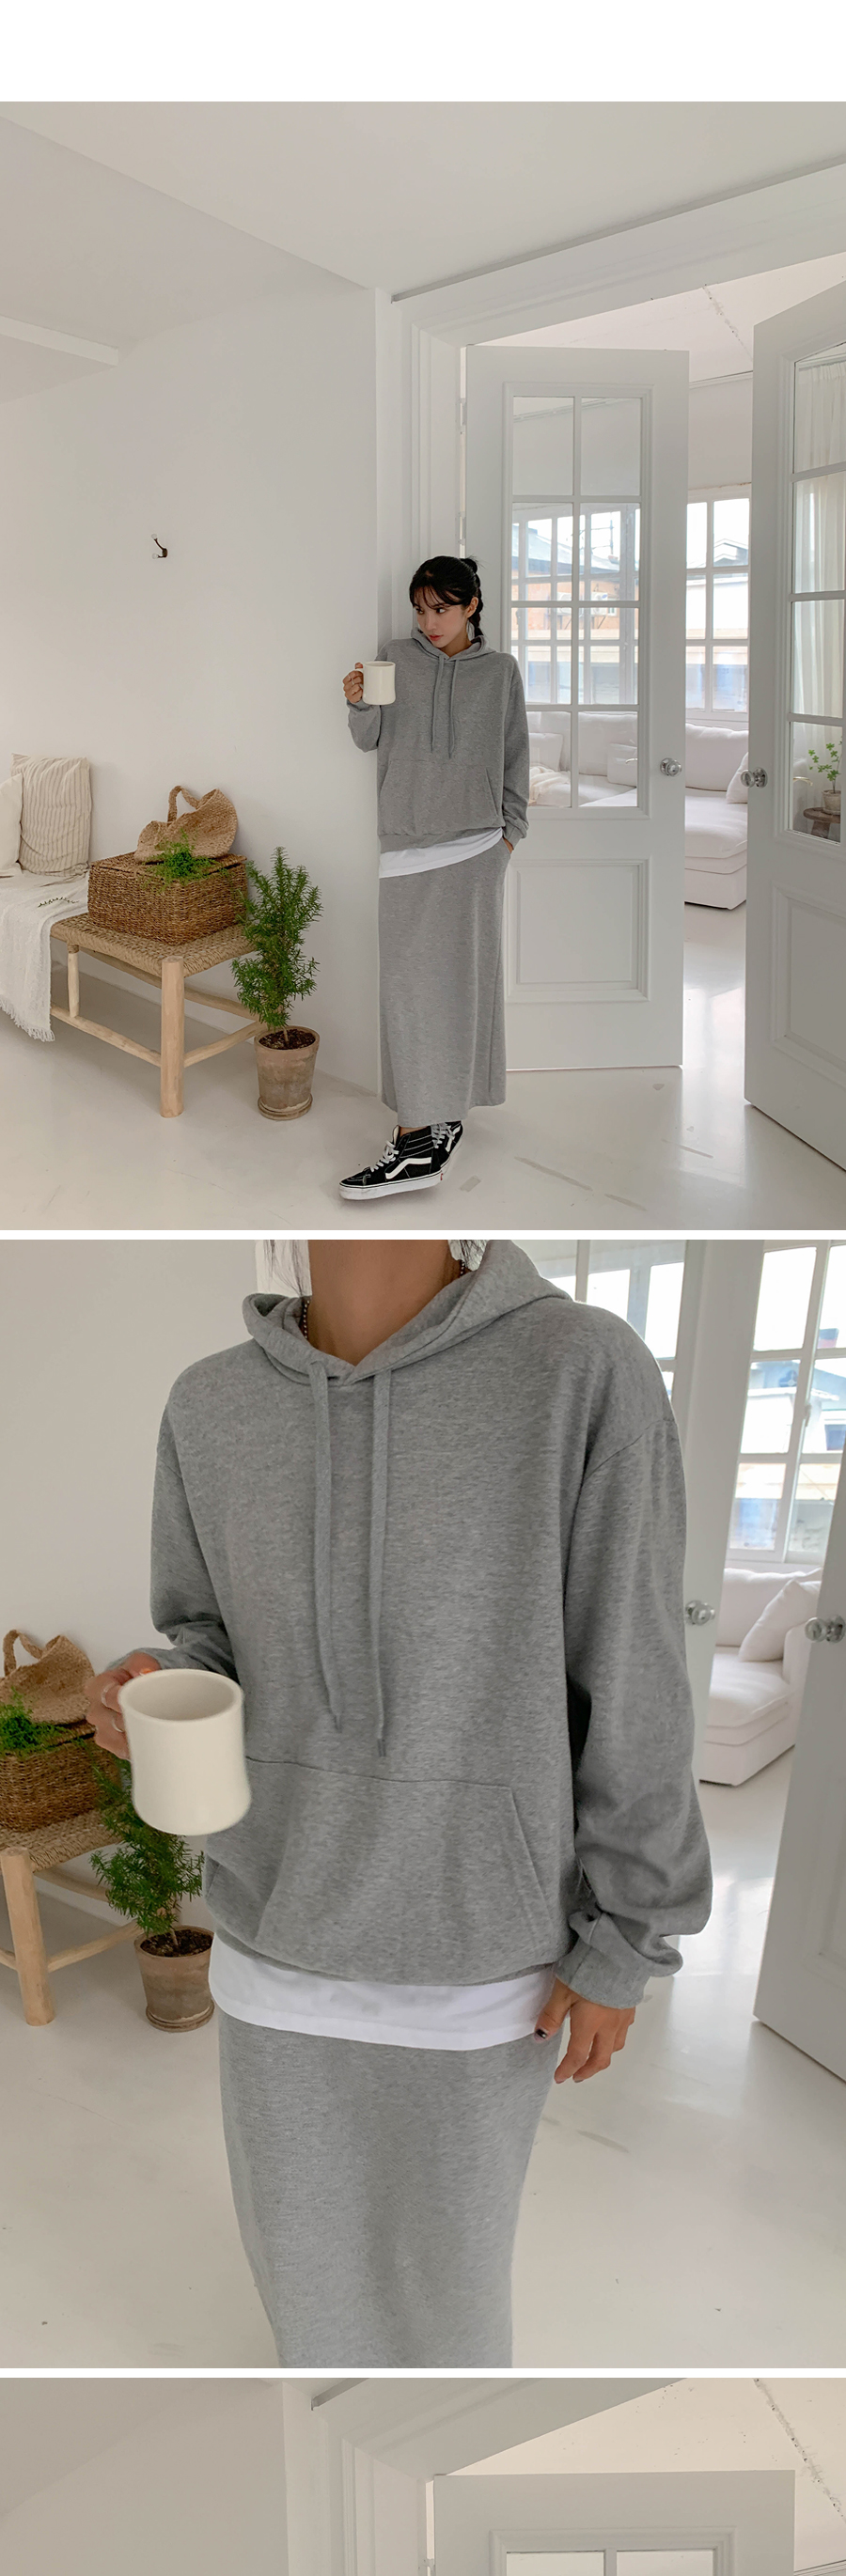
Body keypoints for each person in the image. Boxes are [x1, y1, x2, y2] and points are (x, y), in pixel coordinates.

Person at [84, 1235, 712, 2369]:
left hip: (481, 1950)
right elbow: (208, 1636)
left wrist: (630, 1933)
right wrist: (156, 1684)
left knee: (449, 2312)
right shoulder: (210, 1404)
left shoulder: (578, 1367)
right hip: (277, 1930)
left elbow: (633, 1670)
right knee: (304, 2291)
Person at [338, 554, 529, 1199]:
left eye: (442, 609)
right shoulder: (395, 657)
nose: (429, 622)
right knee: (408, 990)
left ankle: (426, 1132)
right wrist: (358, 703)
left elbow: (515, 756)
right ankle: (419, 1127)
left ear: (471, 605)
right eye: (421, 609)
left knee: (465, 985)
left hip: (477, 849)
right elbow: (369, 740)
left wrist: (510, 835)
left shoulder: (500, 672)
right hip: (408, 846)